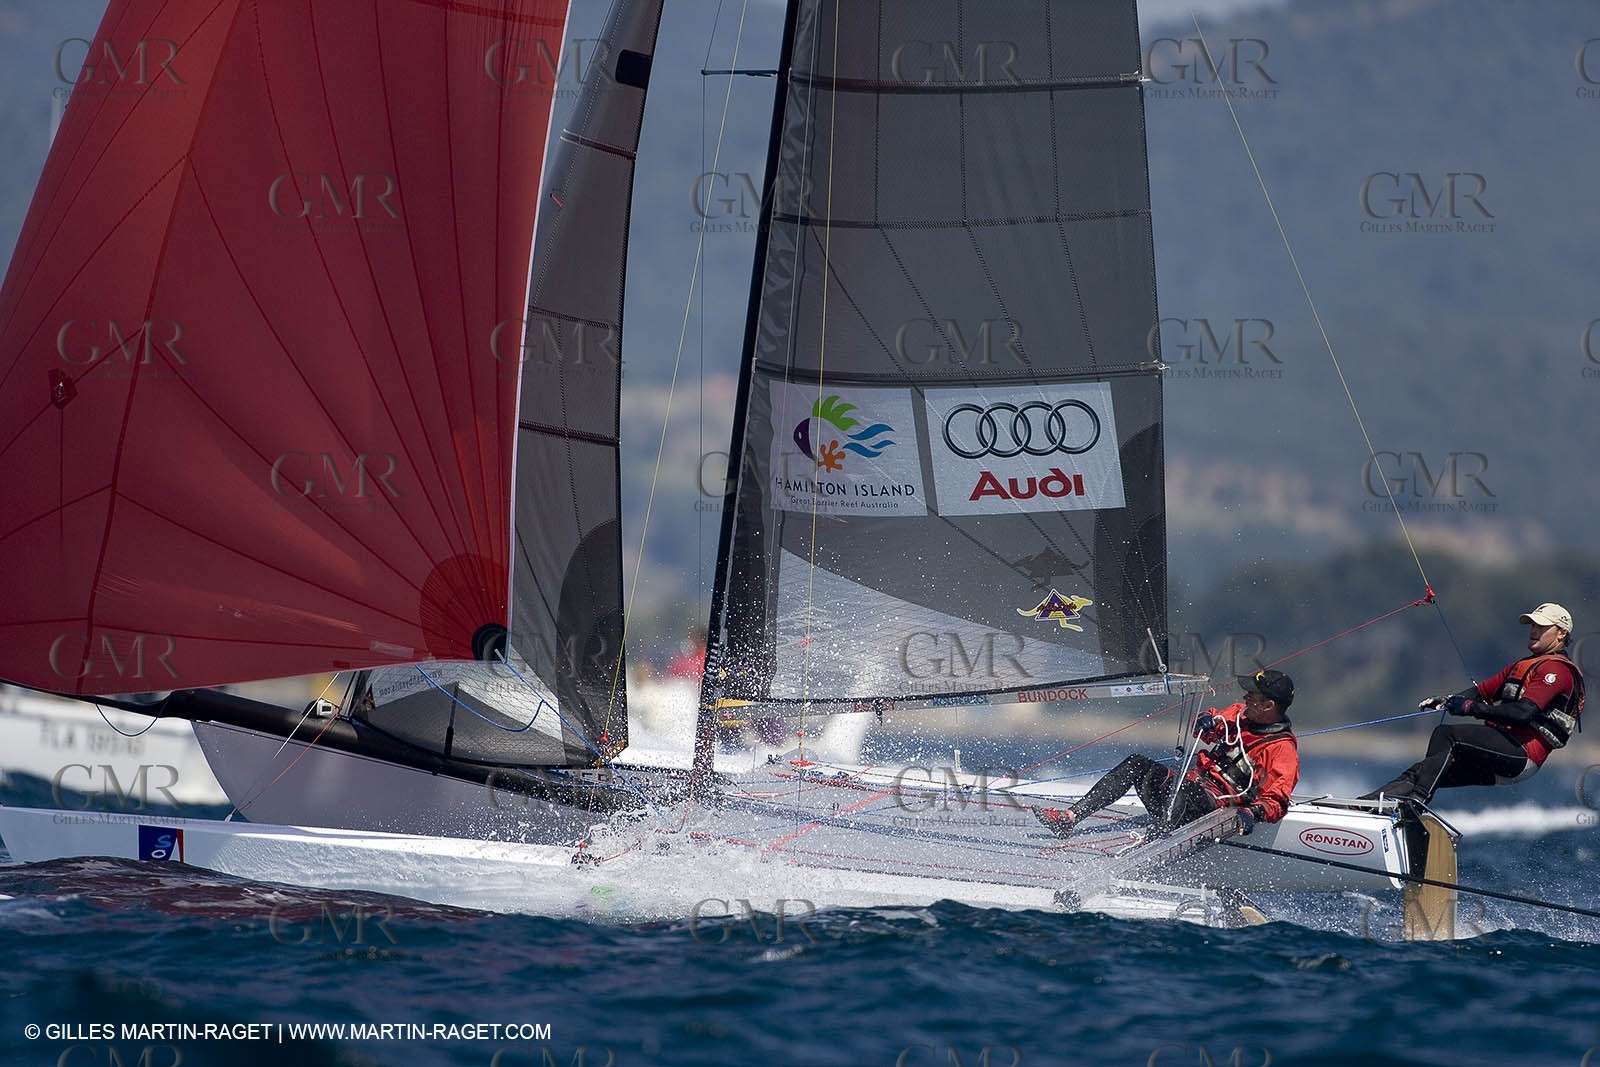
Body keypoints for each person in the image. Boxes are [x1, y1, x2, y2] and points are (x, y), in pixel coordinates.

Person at [1035, 669, 1300, 838]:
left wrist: (1252, 814)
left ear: (1268, 705)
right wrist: (1206, 721)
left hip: (1212, 808)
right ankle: (1069, 819)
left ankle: (1149, 848)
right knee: (1136, 764)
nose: (1245, 697)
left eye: (1252, 696)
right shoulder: (1239, 713)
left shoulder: (1282, 751)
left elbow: (1277, 800)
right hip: (1186, 790)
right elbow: (1208, 728)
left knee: (1183, 795)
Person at [1362, 602, 1586, 803]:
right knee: (1423, 772)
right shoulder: (1524, 665)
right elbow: (1480, 691)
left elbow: (1523, 713)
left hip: (1521, 755)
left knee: (1446, 735)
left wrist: (1471, 709)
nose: (1534, 631)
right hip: (1502, 750)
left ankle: (1417, 803)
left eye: (1542, 627)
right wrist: (1448, 701)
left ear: (1561, 634)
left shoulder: (1556, 670)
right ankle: (1368, 805)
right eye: (1532, 626)